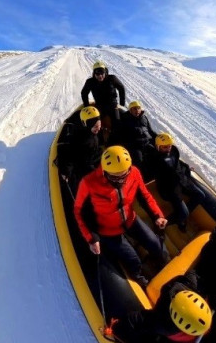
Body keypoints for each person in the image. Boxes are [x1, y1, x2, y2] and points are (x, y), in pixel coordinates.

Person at [74, 145, 169, 287]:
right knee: (133, 260)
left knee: (157, 245)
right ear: (105, 172)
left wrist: (157, 215)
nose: (122, 180)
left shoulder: (134, 172)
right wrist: (91, 238)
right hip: (108, 230)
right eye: (116, 177)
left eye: (125, 174)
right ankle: (140, 278)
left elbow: (145, 196)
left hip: (130, 219)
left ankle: (162, 265)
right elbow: (79, 211)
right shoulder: (88, 183)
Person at [110, 271, 216, 343]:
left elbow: (197, 275)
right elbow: (135, 320)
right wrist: (115, 329)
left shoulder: (192, 286)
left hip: (201, 326)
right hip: (179, 338)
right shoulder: (163, 323)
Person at [146, 132, 207, 229]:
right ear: (158, 147)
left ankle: (181, 216)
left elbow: (177, 163)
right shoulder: (156, 159)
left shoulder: (173, 151)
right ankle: (161, 225)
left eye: (169, 146)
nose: (168, 149)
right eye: (165, 147)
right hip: (170, 188)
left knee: (200, 195)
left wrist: (186, 168)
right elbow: (164, 174)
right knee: (183, 214)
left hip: (182, 181)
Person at [56, 106, 103, 192]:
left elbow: (94, 149)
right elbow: (69, 155)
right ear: (87, 125)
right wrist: (66, 171)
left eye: (99, 125)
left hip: (92, 160)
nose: (99, 128)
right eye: (96, 127)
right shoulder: (79, 139)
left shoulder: (93, 133)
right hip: (81, 167)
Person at [81, 61, 126, 129]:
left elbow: (121, 88)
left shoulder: (112, 78)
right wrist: (86, 106)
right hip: (99, 106)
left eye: (102, 73)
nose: (100, 76)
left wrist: (122, 103)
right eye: (97, 73)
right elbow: (84, 93)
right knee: (95, 124)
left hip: (112, 105)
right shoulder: (90, 82)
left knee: (117, 124)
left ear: (105, 72)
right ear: (94, 73)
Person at [117, 100, 158, 169]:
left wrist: (158, 138)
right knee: (139, 161)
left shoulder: (144, 118)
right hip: (135, 146)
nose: (137, 110)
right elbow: (121, 135)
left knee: (157, 155)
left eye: (138, 108)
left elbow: (150, 131)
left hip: (146, 143)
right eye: (134, 109)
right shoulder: (125, 119)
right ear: (130, 110)